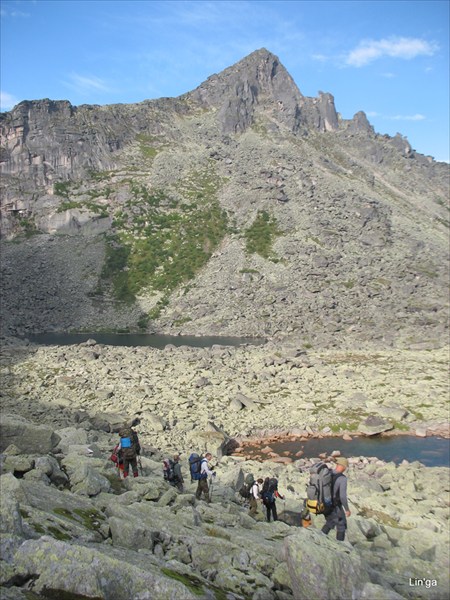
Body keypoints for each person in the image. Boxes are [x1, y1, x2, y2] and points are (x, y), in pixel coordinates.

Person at [321, 456, 351, 541]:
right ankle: (340, 547)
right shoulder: (342, 478)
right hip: (334, 506)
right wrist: (347, 509)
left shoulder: (328, 473)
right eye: (346, 467)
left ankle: (320, 538)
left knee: (330, 522)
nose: (345, 469)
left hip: (324, 503)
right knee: (341, 525)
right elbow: (342, 496)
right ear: (343, 466)